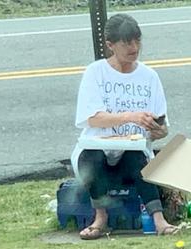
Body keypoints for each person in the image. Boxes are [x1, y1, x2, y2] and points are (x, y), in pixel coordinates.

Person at [71, 13, 178, 239]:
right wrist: (130, 117)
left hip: (133, 151)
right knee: (93, 156)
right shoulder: (95, 72)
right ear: (111, 45)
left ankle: (159, 220)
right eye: (127, 42)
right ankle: (100, 218)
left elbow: (162, 125)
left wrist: (159, 131)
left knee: (136, 156)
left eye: (137, 40)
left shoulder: (149, 76)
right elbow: (93, 118)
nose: (134, 47)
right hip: (97, 151)